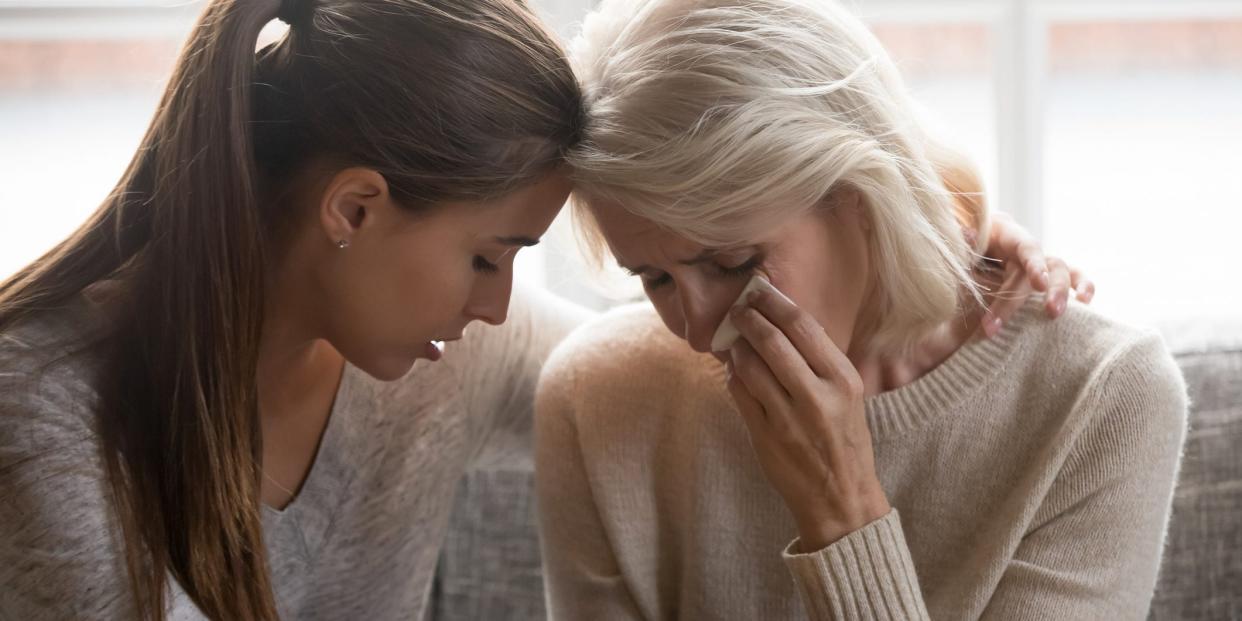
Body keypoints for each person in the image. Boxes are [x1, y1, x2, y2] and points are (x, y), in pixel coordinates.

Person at [0, 0, 1084, 619]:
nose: (504, 303)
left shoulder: (450, 350)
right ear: (355, 208)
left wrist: (940, 228)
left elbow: (660, 379)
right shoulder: (44, 426)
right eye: (490, 254)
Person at [534, 0, 1186, 618]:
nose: (700, 332)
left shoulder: (1103, 401)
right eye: (653, 278)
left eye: (733, 264)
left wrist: (843, 518)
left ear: (860, 194)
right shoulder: (596, 400)